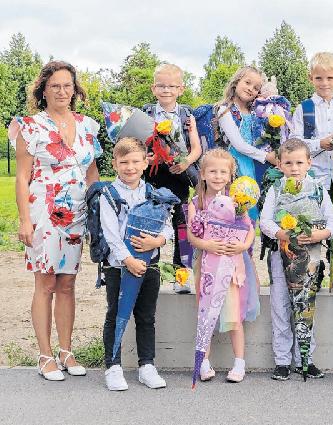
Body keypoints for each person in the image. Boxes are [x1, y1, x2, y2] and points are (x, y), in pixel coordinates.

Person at [9, 61, 102, 381]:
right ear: (43, 91)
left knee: (68, 283)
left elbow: (92, 174)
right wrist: (24, 221)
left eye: (68, 86)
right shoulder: (29, 125)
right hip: (43, 213)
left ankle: (66, 351)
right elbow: (21, 177)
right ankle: (45, 356)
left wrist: (99, 217)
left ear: (75, 89)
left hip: (77, 214)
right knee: (45, 283)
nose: (62, 91)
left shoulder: (88, 125)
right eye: (55, 86)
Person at [260, 139, 333, 381]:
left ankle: (306, 359)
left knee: (305, 306)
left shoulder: (317, 189)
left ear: (309, 163)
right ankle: (282, 361)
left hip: (310, 258)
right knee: (281, 307)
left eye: (299, 162)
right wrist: (282, 234)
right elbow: (265, 221)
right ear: (280, 164)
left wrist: (319, 234)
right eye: (288, 163)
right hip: (280, 256)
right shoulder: (275, 189)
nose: (294, 167)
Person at [101, 137, 173, 391]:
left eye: (135, 161)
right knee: (116, 315)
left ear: (145, 162)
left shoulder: (153, 193)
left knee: (145, 317)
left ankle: (147, 365)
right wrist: (128, 259)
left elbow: (168, 225)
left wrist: (158, 241)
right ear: (114, 164)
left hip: (150, 264)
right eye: (123, 162)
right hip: (118, 267)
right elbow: (110, 233)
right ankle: (113, 366)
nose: (129, 167)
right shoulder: (109, 194)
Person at [186, 149, 259, 383]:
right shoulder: (196, 202)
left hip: (233, 263)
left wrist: (241, 248)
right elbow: (191, 235)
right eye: (213, 171)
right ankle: (203, 362)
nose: (218, 176)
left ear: (230, 175)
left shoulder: (238, 202)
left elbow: (249, 229)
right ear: (203, 173)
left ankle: (239, 363)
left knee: (234, 313)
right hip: (206, 264)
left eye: (223, 172)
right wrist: (205, 243)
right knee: (205, 311)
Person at [291, 52, 333, 292]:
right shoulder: (304, 109)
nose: (324, 83)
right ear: (311, 78)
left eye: (329, 77)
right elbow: (295, 144)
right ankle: (314, 273)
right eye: (319, 78)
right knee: (316, 225)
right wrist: (320, 143)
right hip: (315, 178)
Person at [143, 64, 202, 294]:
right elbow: (137, 146)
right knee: (152, 225)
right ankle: (151, 276)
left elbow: (196, 148)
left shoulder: (186, 115)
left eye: (172, 86)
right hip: (153, 176)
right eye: (161, 85)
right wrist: (145, 158)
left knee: (181, 225)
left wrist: (186, 162)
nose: (166, 90)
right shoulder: (147, 113)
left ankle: (181, 277)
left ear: (181, 89)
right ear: (153, 88)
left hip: (179, 177)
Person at [216, 65, 277, 220]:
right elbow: (238, 144)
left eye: (256, 88)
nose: (251, 89)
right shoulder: (225, 110)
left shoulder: (256, 111)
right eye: (247, 83)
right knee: (237, 208)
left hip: (254, 164)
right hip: (235, 164)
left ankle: (250, 244)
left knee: (253, 209)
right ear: (236, 82)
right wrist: (266, 156)